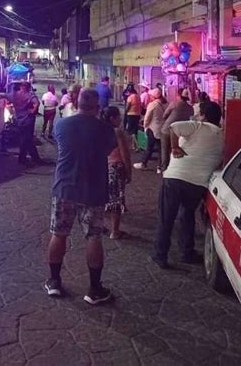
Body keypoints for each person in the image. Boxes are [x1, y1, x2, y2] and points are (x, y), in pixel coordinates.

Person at [46, 88, 117, 304]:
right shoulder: (105, 130)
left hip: (65, 188)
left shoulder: (61, 125)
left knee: (59, 234)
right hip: (93, 190)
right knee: (93, 237)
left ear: (77, 103)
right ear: (97, 107)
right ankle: (94, 289)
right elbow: (108, 152)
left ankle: (54, 281)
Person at [151, 101, 223, 269]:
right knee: (187, 215)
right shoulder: (221, 135)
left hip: (175, 179)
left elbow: (173, 127)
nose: (196, 115)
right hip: (197, 184)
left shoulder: (197, 126)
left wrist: (174, 148)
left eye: (199, 112)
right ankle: (187, 252)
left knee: (166, 219)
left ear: (204, 116)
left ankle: (160, 255)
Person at [104, 106, 132, 239]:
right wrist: (129, 171)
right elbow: (124, 153)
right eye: (118, 117)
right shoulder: (117, 132)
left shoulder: (99, 130)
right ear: (112, 118)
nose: (121, 119)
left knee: (103, 198)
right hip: (116, 167)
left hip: (102, 167)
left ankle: (101, 225)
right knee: (115, 199)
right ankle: (115, 231)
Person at [159, 88, 194, 175]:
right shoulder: (190, 108)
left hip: (167, 130)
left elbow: (164, 116)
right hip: (178, 133)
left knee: (164, 150)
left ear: (179, 96)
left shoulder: (174, 103)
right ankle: (173, 169)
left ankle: (164, 169)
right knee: (174, 150)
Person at [134, 88, 166, 170]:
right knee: (161, 149)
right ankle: (160, 166)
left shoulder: (152, 105)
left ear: (153, 96)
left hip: (153, 129)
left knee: (149, 147)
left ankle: (143, 163)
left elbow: (147, 118)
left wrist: (145, 127)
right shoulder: (166, 103)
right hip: (163, 129)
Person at [12, 82, 41, 165]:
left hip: (19, 120)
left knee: (25, 139)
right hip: (28, 120)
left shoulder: (15, 95)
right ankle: (26, 159)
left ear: (21, 87)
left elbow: (5, 96)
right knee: (26, 139)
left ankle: (32, 158)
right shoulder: (30, 95)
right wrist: (33, 110)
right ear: (28, 88)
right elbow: (37, 103)